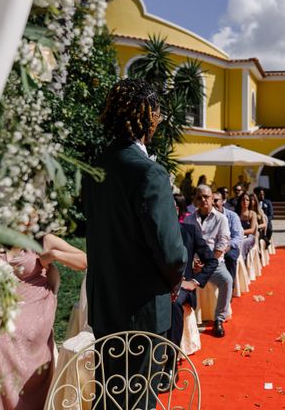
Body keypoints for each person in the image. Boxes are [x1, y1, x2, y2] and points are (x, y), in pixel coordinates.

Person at [82, 79, 187, 409]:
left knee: (109, 397)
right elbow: (170, 252)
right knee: (138, 401)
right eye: (157, 113)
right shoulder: (149, 173)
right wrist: (174, 282)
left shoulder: (94, 168)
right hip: (142, 312)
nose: (158, 121)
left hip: (105, 305)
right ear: (148, 115)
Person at [0, 235, 86, 409]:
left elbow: (84, 261)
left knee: (1, 336)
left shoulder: (44, 240)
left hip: (34, 300)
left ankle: (20, 402)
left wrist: (52, 255)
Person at [184, 185, 232, 337]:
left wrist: (207, 264)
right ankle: (187, 322)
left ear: (212, 198)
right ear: (195, 200)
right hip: (193, 264)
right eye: (199, 197)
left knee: (227, 280)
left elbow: (222, 245)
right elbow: (185, 245)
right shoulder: (188, 219)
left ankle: (219, 319)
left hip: (214, 262)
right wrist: (192, 263)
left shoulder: (221, 219)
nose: (203, 200)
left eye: (206, 197)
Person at [170, 220, 218, 349]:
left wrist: (194, 282)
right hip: (158, 284)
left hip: (182, 286)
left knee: (173, 304)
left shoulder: (189, 231)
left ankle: (170, 359)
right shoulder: (150, 230)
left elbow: (212, 261)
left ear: (176, 210)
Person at [213, 191, 244, 283]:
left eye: (216, 200)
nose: (213, 203)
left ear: (223, 201)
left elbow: (238, 237)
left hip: (229, 247)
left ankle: (229, 287)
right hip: (213, 246)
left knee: (230, 257)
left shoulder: (232, 216)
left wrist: (227, 246)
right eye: (212, 200)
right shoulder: (208, 216)